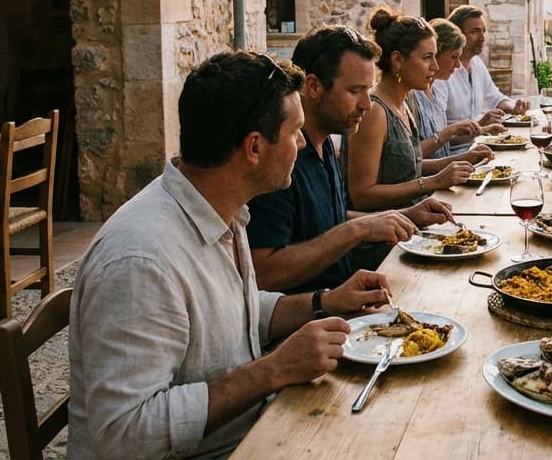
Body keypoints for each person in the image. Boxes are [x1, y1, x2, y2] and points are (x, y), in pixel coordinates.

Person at [69, 51, 392, 459]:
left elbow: (228, 315)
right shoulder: (141, 260)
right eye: (294, 132)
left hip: (254, 432)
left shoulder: (219, 209)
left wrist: (324, 302)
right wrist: (274, 370)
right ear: (254, 147)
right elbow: (123, 435)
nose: (299, 144)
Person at [247, 25, 454, 294]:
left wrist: (405, 215)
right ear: (313, 86)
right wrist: (358, 230)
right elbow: (263, 274)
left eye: (368, 90)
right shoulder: (282, 158)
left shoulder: (324, 142)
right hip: (308, 325)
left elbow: (329, 220)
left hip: (346, 297)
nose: (367, 105)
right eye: (355, 91)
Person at [345, 8, 493, 214]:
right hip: (386, 237)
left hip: (417, 220)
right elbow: (362, 196)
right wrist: (432, 182)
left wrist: (463, 159)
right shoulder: (373, 111)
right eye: (427, 57)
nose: (434, 65)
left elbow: (410, 167)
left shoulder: (403, 102)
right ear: (397, 60)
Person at [439, 5, 530, 149]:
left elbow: (494, 97)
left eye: (483, 31)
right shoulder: (441, 74)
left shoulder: (476, 63)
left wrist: (515, 108)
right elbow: (439, 138)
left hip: (479, 143)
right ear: (458, 35)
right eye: (475, 32)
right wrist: (481, 125)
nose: (482, 38)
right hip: (457, 151)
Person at [411, 18, 502, 160]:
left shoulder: (432, 90)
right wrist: (450, 134)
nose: (458, 65)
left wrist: (482, 130)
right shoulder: (413, 96)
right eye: (454, 57)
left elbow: (443, 146)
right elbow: (413, 159)